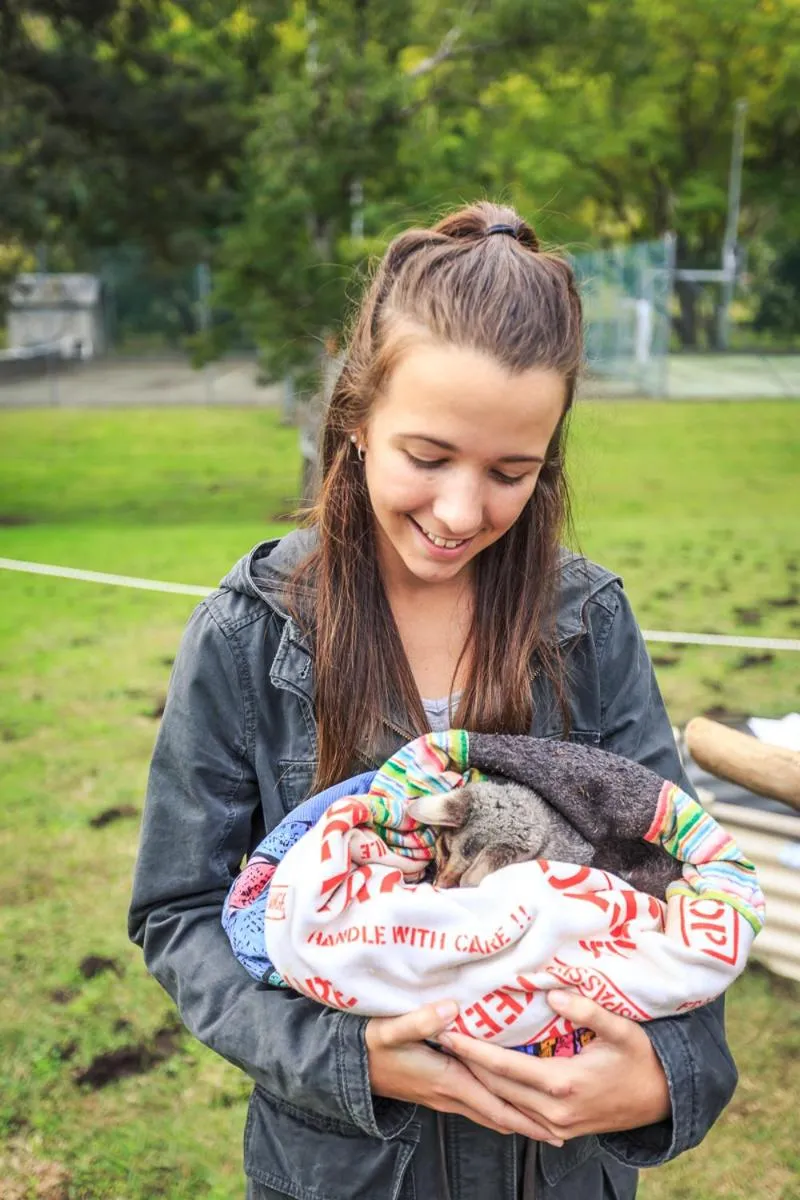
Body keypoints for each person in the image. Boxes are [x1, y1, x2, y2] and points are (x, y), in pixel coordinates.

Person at [128, 201, 737, 1200]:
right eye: (426, 456)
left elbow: (676, 876)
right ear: (356, 419)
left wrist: (657, 1079)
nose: (461, 513)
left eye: (510, 472)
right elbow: (178, 912)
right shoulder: (248, 633)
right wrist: (344, 1060)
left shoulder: (589, 622)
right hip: (337, 1173)